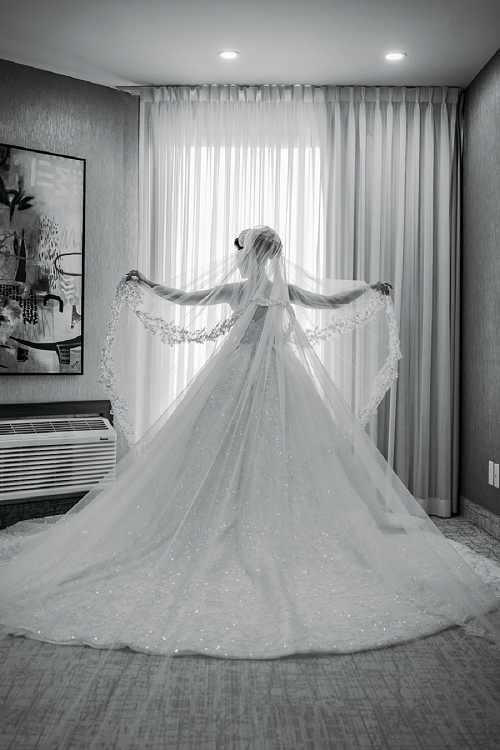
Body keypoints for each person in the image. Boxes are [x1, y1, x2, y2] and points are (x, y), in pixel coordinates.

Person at [0, 226, 498, 659]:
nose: (244, 256)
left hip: (242, 377)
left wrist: (148, 285)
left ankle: (221, 521)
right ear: (273, 255)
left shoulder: (242, 289)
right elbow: (325, 302)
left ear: (250, 254)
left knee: (231, 452)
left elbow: (184, 299)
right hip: (272, 379)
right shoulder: (280, 292)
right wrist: (370, 291)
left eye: (245, 250)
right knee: (268, 456)